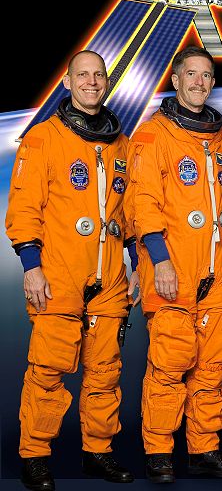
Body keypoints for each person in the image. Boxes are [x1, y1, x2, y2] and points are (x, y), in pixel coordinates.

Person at [6, 50, 136, 490]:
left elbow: (129, 213)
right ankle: (35, 455)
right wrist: (31, 267)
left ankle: (98, 451)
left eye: (98, 75)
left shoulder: (121, 144)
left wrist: (137, 263)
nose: (92, 82)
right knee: (48, 371)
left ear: (107, 82)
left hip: (110, 278)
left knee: (105, 372)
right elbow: (24, 209)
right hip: (58, 275)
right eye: (83, 75)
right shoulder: (44, 138)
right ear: (67, 82)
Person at [125, 46, 222, 483]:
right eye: (191, 74)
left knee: (211, 366)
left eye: (206, 75)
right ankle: (159, 452)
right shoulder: (152, 135)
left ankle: (204, 449)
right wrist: (158, 261)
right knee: (170, 364)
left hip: (217, 272)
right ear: (175, 81)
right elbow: (142, 203)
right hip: (171, 268)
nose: (199, 82)